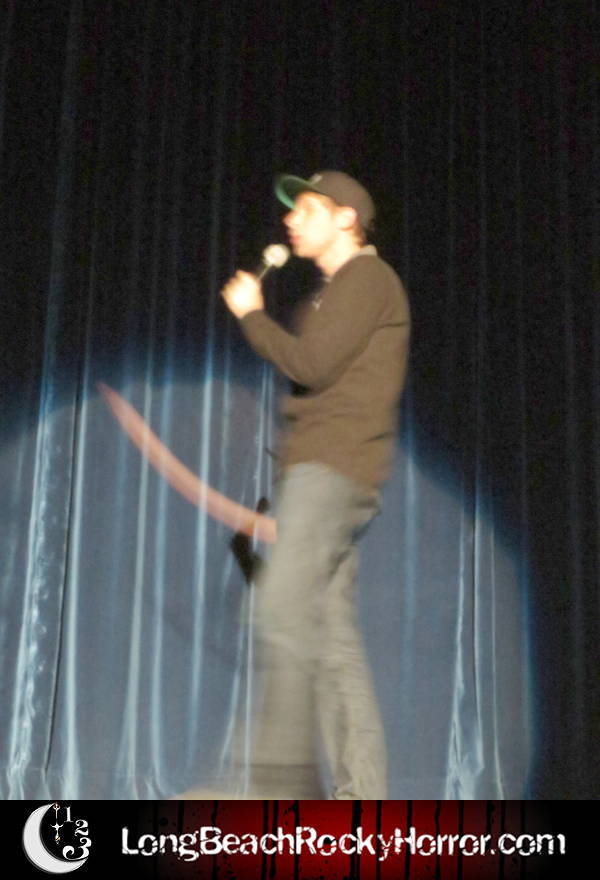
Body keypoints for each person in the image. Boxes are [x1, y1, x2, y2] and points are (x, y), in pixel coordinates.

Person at [221, 171, 410, 798]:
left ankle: (272, 792)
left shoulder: (367, 279)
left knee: (281, 609)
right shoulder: (331, 295)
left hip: (333, 473)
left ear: (346, 218)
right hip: (322, 474)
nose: (290, 220)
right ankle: (361, 803)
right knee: (331, 642)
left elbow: (311, 364)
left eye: (306, 208)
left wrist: (253, 316)